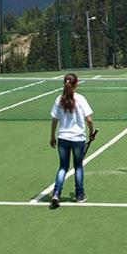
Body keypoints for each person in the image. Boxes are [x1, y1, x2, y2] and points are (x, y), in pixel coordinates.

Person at [48, 73, 94, 207]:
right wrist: (91, 132)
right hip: (78, 139)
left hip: (63, 138)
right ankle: (80, 194)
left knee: (63, 167)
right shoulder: (81, 99)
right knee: (78, 166)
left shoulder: (59, 100)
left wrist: (52, 136)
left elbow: (54, 120)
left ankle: (56, 193)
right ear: (76, 84)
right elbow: (89, 119)